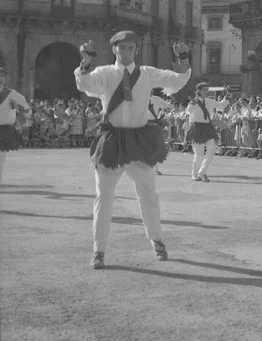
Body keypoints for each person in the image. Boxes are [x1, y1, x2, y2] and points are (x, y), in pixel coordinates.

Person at [75, 31, 191, 270]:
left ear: (136, 50)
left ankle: (157, 240)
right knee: (103, 196)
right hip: (112, 139)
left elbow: (177, 80)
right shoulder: (105, 73)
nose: (126, 52)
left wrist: (182, 58)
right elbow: (85, 85)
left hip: (138, 139)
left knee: (148, 194)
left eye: (130, 48)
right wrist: (85, 63)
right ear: (114, 49)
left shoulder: (147, 73)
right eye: (122, 48)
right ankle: (99, 250)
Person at [185, 82, 228, 182]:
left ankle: (201, 172)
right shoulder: (194, 102)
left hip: (207, 127)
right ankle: (195, 174)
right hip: (196, 128)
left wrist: (227, 95)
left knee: (212, 149)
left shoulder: (209, 101)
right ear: (199, 91)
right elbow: (188, 111)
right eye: (204, 90)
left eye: (207, 90)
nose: (206, 92)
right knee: (199, 154)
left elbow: (221, 105)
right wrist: (192, 102)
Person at [0, 66, 31, 184]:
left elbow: (24, 104)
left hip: (4, 129)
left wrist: (26, 112)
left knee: (1, 156)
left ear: (5, 79)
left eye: (2, 76)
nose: (0, 79)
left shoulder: (11, 93)